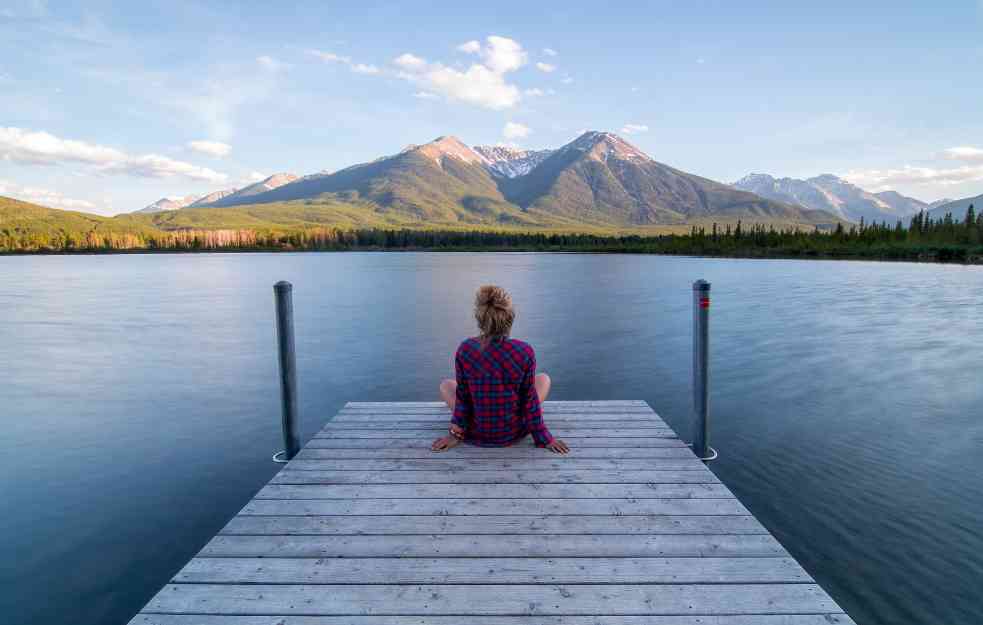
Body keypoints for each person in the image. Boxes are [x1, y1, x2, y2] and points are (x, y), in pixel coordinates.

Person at [431, 285, 570, 454]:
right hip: (512, 432)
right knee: (543, 379)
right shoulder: (524, 351)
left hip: (476, 430)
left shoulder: (465, 349)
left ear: (480, 319)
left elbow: (463, 397)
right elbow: (530, 400)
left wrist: (455, 434)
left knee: (446, 385)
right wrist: (544, 438)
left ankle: (466, 426)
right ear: (510, 318)